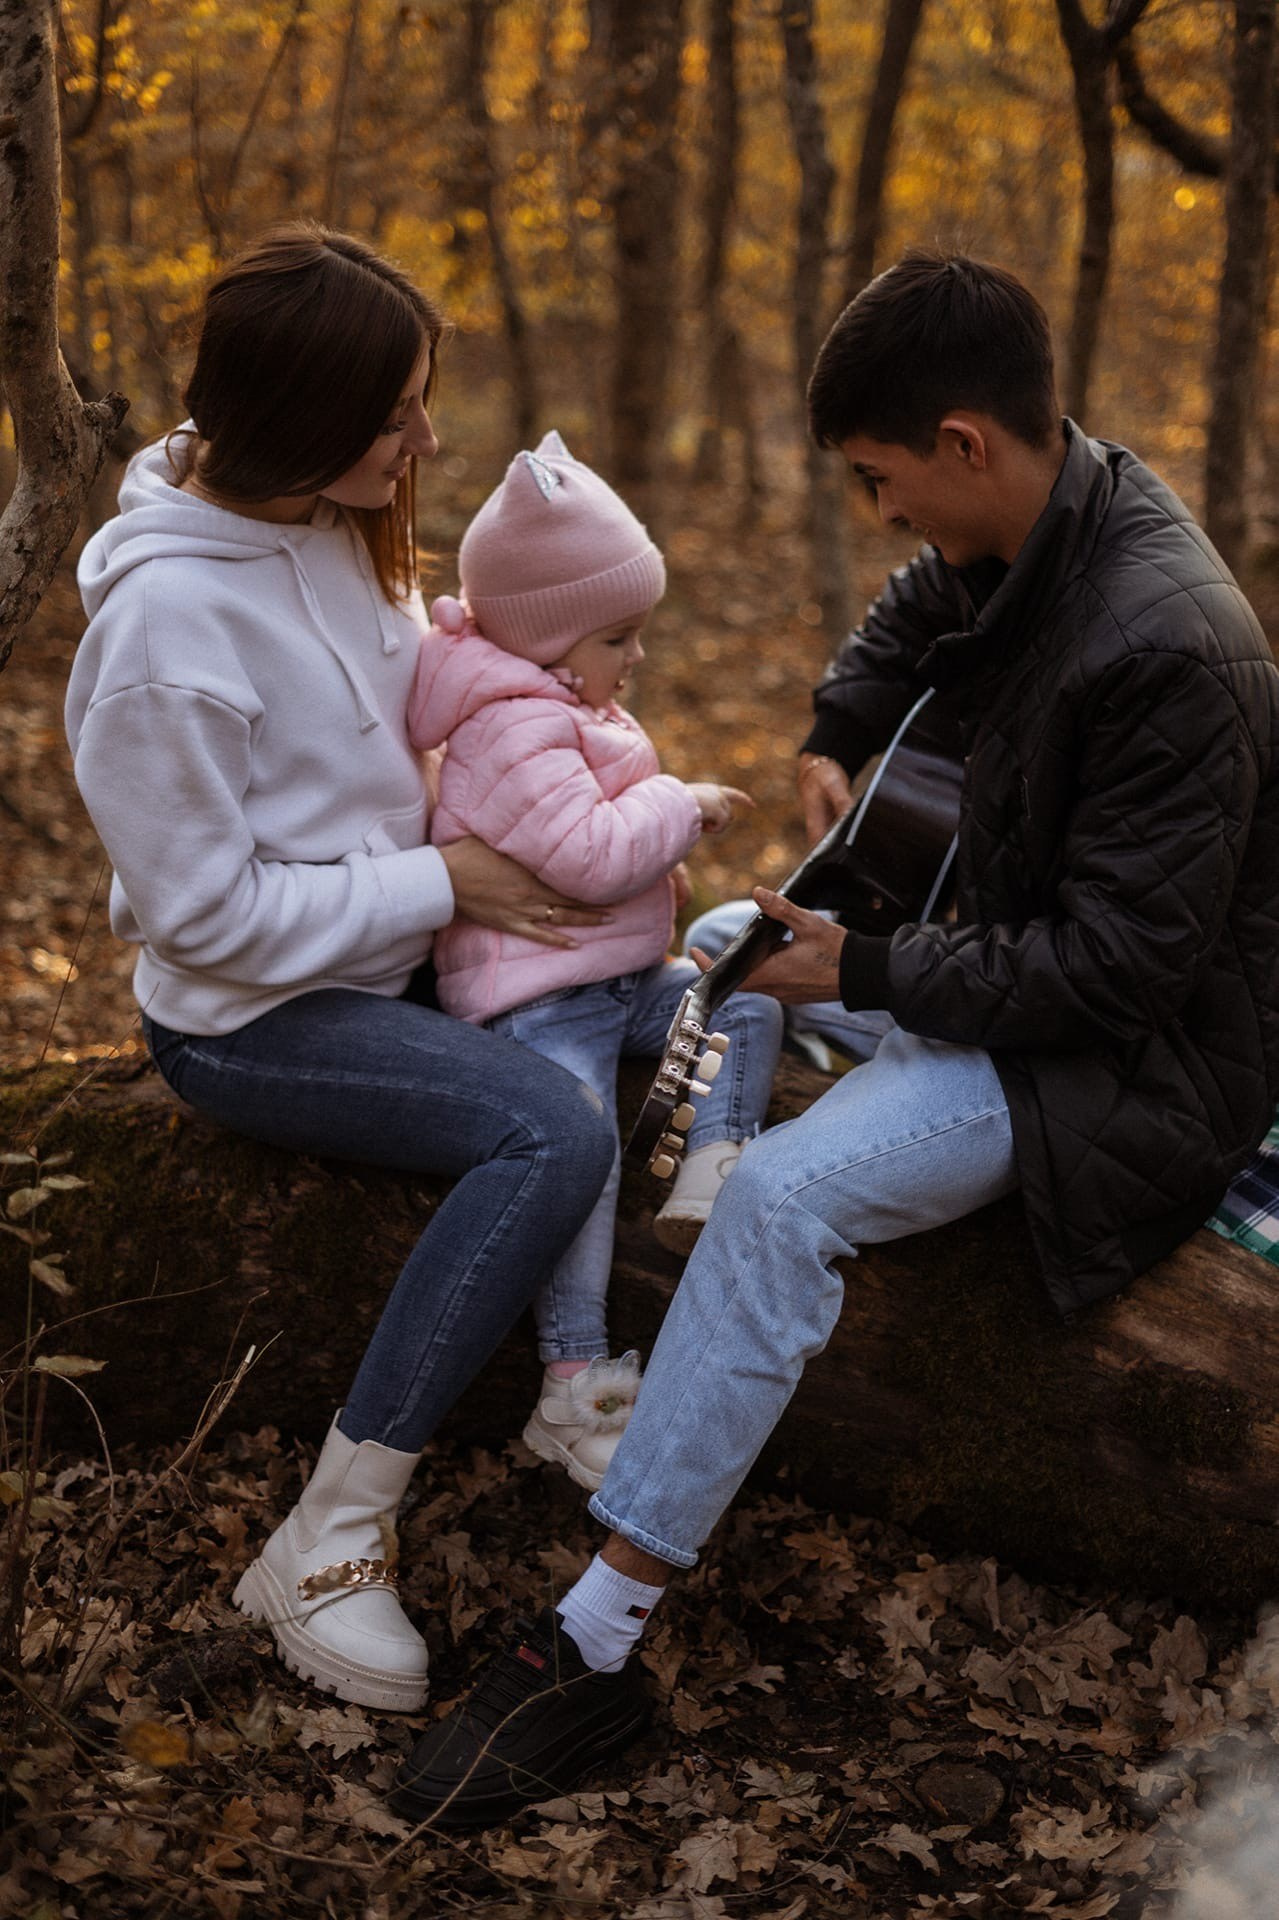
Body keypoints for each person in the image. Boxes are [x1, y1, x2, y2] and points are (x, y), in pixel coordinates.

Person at [389, 249, 1279, 1828]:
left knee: (779, 1204)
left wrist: (864, 962)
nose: (881, 516)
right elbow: (901, 613)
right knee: (728, 943)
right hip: (991, 960)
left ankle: (591, 1647)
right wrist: (836, 734)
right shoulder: (1024, 529)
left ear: (961, 443)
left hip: (1103, 1066)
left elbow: (1116, 976)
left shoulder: (1170, 647)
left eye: (883, 480)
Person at [64, 223, 623, 1718]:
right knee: (549, 1128)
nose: (427, 440)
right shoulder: (165, 634)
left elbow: (396, 703)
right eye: (395, 414)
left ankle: (584, 1397)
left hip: (391, 948)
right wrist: (448, 879)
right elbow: (200, 920)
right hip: (254, 1016)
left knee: (639, 1003)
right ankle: (329, 1536)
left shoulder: (324, 510)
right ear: (307, 415)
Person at [408, 431, 783, 1491]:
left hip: (616, 982)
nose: (639, 658)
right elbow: (589, 853)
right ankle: (572, 1377)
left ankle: (713, 1163)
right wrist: (686, 801)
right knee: (583, 1156)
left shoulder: (568, 704)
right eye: (622, 637)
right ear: (552, 642)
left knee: (740, 999)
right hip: (537, 1005)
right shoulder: (511, 727)